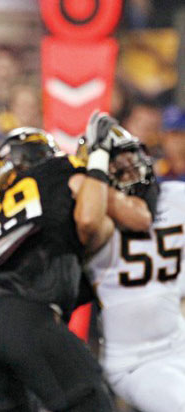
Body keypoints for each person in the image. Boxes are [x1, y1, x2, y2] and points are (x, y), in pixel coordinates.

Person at [0, 116, 152, 412]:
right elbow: (99, 221)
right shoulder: (61, 171)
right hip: (27, 317)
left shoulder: (2, 204)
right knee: (92, 400)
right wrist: (100, 159)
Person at [86, 135, 185, 412]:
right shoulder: (94, 219)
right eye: (117, 165)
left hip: (177, 342)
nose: (128, 170)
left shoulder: (176, 197)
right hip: (132, 360)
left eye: (132, 160)